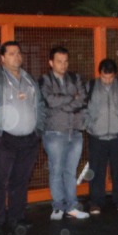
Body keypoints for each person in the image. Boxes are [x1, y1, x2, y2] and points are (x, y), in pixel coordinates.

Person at [0, 41, 46, 235]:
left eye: (19, 53)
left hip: (29, 139)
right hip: (3, 139)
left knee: (21, 180)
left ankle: (17, 216)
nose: (17, 56)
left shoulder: (29, 78)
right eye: (12, 53)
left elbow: (40, 104)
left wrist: (38, 130)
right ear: (3, 58)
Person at [39, 46, 89, 220]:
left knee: (70, 171)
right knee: (56, 170)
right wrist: (71, 98)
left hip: (74, 132)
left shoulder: (75, 78)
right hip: (55, 132)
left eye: (66, 61)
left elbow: (82, 99)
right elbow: (50, 101)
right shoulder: (44, 80)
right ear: (51, 63)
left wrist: (64, 101)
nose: (63, 65)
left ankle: (72, 206)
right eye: (59, 61)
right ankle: (58, 206)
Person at [85, 58, 118, 214]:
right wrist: (90, 125)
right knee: (95, 171)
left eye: (110, 77)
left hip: (117, 136)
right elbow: (82, 109)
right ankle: (95, 202)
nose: (107, 80)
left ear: (115, 75)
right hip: (96, 136)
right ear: (99, 73)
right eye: (104, 77)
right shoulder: (90, 86)